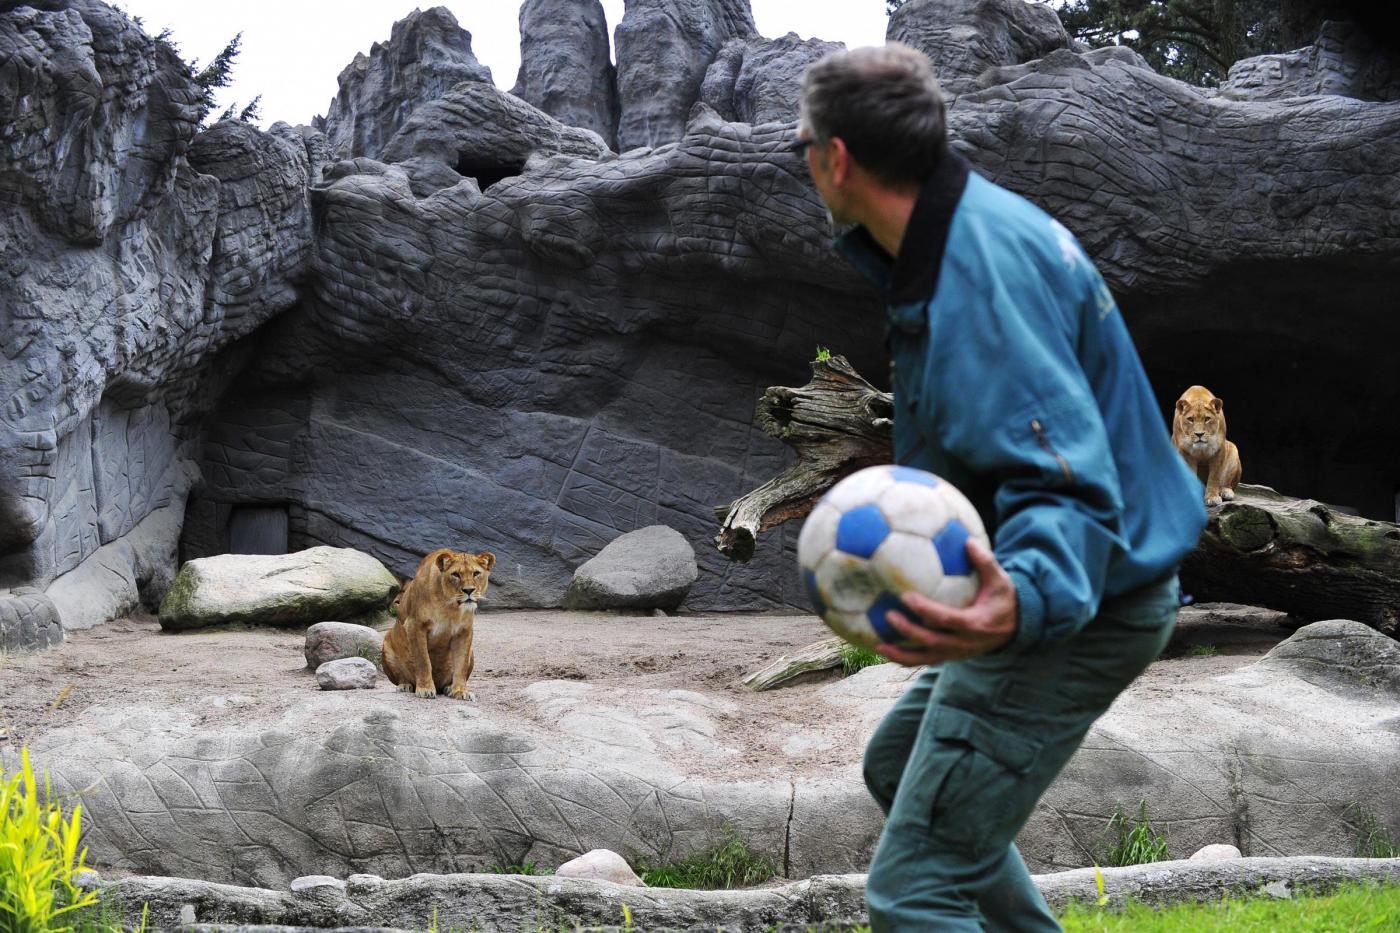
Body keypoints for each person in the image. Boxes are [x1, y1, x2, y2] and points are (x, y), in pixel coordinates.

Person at [792, 44, 1208, 931]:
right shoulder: (972, 232)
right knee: (899, 765)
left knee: (917, 892)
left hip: (1080, 597)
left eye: (803, 147)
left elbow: (1061, 478)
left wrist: (1016, 599)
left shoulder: (979, 275)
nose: (805, 163)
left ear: (837, 159)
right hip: (1088, 585)